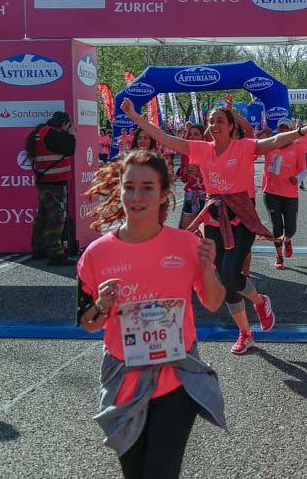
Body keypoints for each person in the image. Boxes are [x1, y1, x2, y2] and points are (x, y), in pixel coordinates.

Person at [121, 98, 307, 355]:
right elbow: (165, 138)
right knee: (225, 279)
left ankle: (260, 302)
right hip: (214, 216)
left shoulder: (244, 146)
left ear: (230, 126)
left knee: (229, 273)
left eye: (220, 121)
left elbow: (273, 141)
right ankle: (245, 332)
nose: (214, 125)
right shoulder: (201, 149)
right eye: (211, 121)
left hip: (242, 216)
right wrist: (134, 116)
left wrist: (302, 131)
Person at [78, 149, 227, 478]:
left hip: (176, 377)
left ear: (163, 195)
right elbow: (87, 323)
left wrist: (206, 268)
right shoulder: (96, 254)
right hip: (123, 380)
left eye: (147, 188)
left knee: (161, 472)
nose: (137, 197)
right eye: (129, 187)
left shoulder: (186, 245)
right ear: (119, 190)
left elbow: (214, 301)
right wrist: (101, 305)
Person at [24, 111, 76, 266]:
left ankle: (38, 248)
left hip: (44, 180)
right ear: (64, 124)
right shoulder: (54, 134)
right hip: (55, 182)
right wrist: (71, 135)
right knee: (56, 218)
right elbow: (69, 149)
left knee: (43, 216)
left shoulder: (39, 132)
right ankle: (56, 254)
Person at [262, 119, 307, 270]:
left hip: (289, 193)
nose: (283, 130)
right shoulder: (270, 145)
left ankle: (287, 240)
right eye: (281, 128)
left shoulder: (297, 147)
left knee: (291, 229)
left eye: (286, 128)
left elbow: (303, 170)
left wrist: (297, 178)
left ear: (291, 130)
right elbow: (253, 147)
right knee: (277, 227)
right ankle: (279, 256)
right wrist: (262, 134)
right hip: (271, 191)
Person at [178, 124, 207, 231]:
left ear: (204, 137)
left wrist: (200, 174)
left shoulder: (211, 152)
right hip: (191, 195)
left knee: (208, 231)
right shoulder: (185, 153)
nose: (192, 137)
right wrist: (185, 174)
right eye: (190, 134)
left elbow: (217, 178)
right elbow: (184, 180)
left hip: (208, 196)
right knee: (187, 230)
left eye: (196, 134)